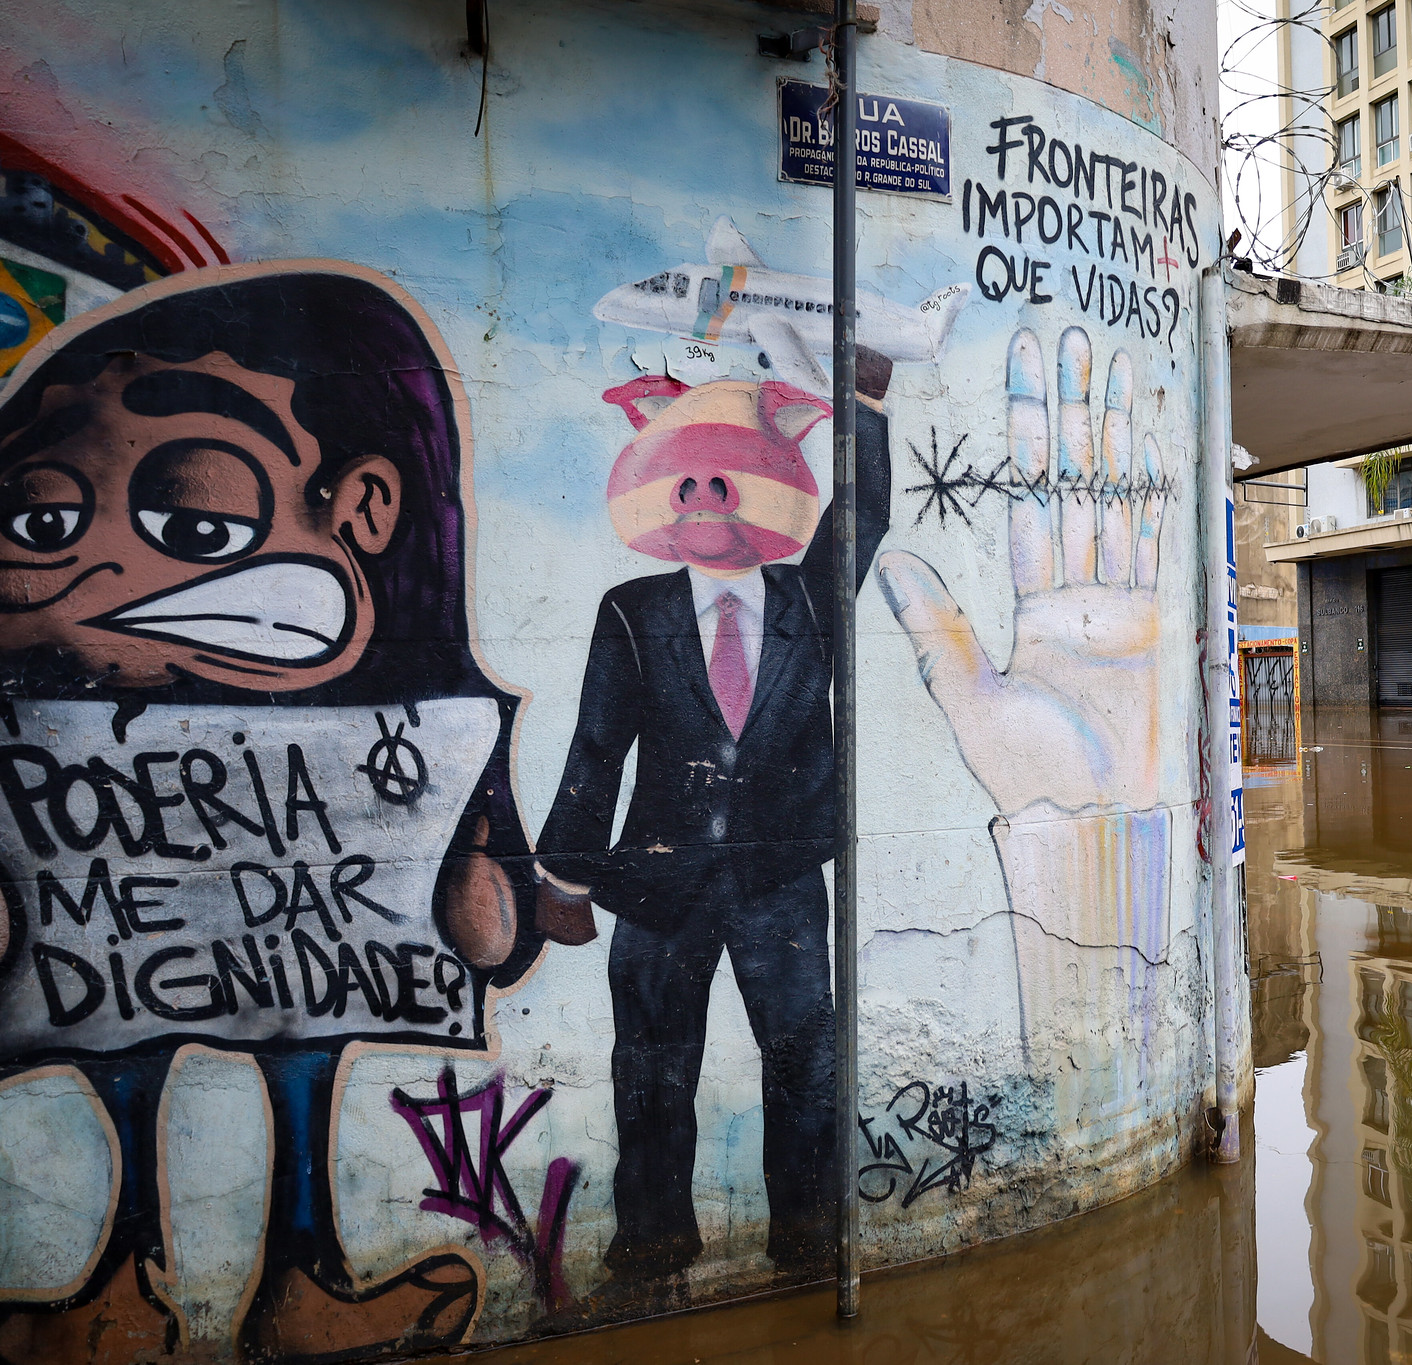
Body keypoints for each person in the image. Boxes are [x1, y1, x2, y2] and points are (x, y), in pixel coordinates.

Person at [0, 263, 544, 1364]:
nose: (90, 579)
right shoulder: (40, 748)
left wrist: (481, 889)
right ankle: (129, 1281)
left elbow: (485, 930)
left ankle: (293, 1278)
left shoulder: (405, 744)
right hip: (118, 944)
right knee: (124, 1028)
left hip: (278, 948)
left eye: (194, 521)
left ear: (366, 510)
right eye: (44, 518)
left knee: (303, 1031)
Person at [535, 349, 893, 1286]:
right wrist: (565, 874)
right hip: (658, 884)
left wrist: (865, 403)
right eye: (687, 484)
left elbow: (862, 518)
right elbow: (597, 745)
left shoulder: (809, 601)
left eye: (724, 483)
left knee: (805, 1062)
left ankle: (808, 1238)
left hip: (779, 879)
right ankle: (653, 1240)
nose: (705, 500)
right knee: (652, 1069)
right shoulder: (632, 611)